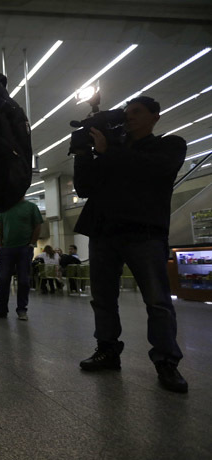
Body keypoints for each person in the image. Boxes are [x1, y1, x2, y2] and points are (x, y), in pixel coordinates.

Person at [73, 95, 188, 393]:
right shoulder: (112, 149)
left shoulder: (170, 146)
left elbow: (152, 172)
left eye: (137, 112)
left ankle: (166, 362)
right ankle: (107, 349)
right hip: (104, 232)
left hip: (144, 232)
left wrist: (109, 150)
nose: (130, 117)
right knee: (103, 298)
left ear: (155, 117)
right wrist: (84, 153)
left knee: (158, 301)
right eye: (127, 113)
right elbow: (84, 187)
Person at [0, 199, 43, 320]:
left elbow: (37, 225)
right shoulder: (4, 208)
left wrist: (32, 243)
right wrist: (0, 244)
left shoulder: (31, 207)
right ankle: (2, 309)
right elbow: (0, 226)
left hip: (24, 248)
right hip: (7, 249)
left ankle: (22, 310)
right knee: (3, 279)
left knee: (23, 280)